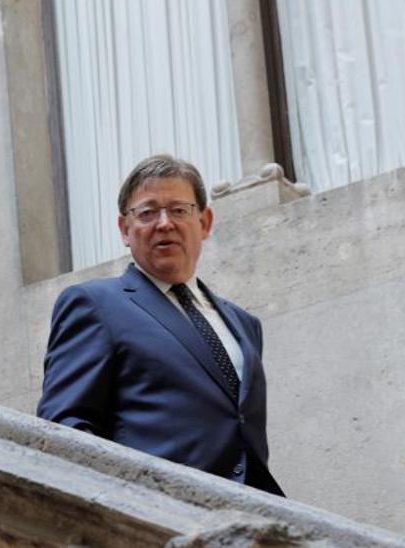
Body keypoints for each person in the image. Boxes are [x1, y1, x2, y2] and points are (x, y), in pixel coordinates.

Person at [36, 155, 283, 496]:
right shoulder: (94, 304)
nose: (164, 223)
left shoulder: (244, 324)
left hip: (249, 516)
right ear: (125, 229)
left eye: (179, 210)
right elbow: (65, 427)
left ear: (205, 222)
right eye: (148, 212)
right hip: (158, 514)